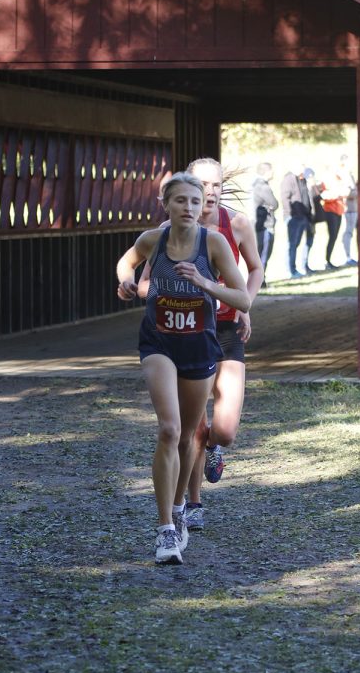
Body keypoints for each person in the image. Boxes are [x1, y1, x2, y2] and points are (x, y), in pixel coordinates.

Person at [116, 172, 250, 565]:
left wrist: (206, 284)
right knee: (169, 429)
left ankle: (178, 510)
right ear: (166, 204)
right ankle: (164, 531)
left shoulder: (215, 244)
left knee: (190, 434)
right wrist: (125, 281)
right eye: (181, 201)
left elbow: (241, 298)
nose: (189, 208)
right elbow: (126, 261)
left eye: (196, 201)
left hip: (198, 345)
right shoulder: (153, 240)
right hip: (158, 342)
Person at [138, 157, 263, 532]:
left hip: (225, 330)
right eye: (202, 186)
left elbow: (253, 271)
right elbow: (144, 278)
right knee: (188, 427)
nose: (209, 194)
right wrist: (152, 295)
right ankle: (192, 504)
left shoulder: (235, 225)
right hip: (185, 333)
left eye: (217, 186)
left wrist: (245, 306)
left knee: (221, 430)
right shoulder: (165, 232)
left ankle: (215, 449)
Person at [280, 166, 315, 279]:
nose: (303, 169)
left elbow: (306, 196)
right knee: (292, 244)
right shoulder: (289, 179)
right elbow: (285, 198)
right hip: (294, 217)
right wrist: (290, 214)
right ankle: (290, 270)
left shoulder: (302, 179)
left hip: (304, 216)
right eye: (301, 167)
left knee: (297, 243)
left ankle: (296, 268)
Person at [251, 162, 278, 286]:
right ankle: (260, 282)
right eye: (272, 170)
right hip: (265, 225)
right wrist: (270, 207)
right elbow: (275, 203)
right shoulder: (263, 186)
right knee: (264, 254)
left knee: (259, 253)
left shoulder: (254, 184)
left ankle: (258, 281)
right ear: (267, 172)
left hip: (256, 225)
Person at [320, 169, 347, 270]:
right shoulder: (325, 182)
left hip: (339, 211)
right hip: (330, 211)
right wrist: (334, 195)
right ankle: (326, 260)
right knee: (332, 236)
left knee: (335, 236)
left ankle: (329, 260)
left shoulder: (338, 178)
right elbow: (323, 196)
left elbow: (344, 190)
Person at [339, 154, 359, 266]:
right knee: (347, 232)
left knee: (350, 232)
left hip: (353, 207)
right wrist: (356, 193)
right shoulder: (343, 174)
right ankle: (347, 257)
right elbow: (345, 192)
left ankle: (350, 256)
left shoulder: (349, 174)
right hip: (348, 208)